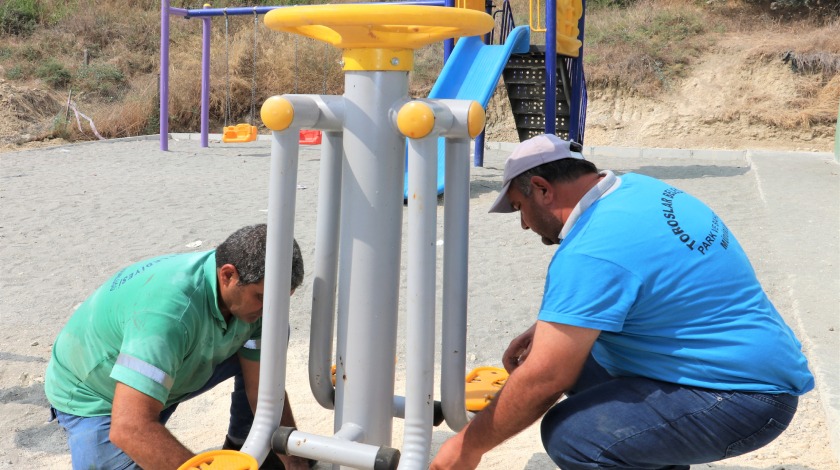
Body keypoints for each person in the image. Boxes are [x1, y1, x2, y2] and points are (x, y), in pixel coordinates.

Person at [430, 134, 814, 470]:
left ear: (543, 189)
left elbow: (547, 378)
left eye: (519, 207)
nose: (525, 224)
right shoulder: (638, 190)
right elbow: (650, 275)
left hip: (741, 399)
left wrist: (467, 447)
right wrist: (548, 327)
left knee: (574, 436)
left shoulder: (591, 250)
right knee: (561, 353)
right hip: (748, 366)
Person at [45, 224, 311, 470]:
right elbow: (129, 427)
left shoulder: (251, 297)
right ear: (228, 275)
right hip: (98, 395)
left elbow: (262, 389)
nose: (271, 310)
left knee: (273, 332)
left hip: (173, 363)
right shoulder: (169, 314)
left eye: (281, 300)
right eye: (262, 297)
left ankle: (243, 442)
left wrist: (295, 462)